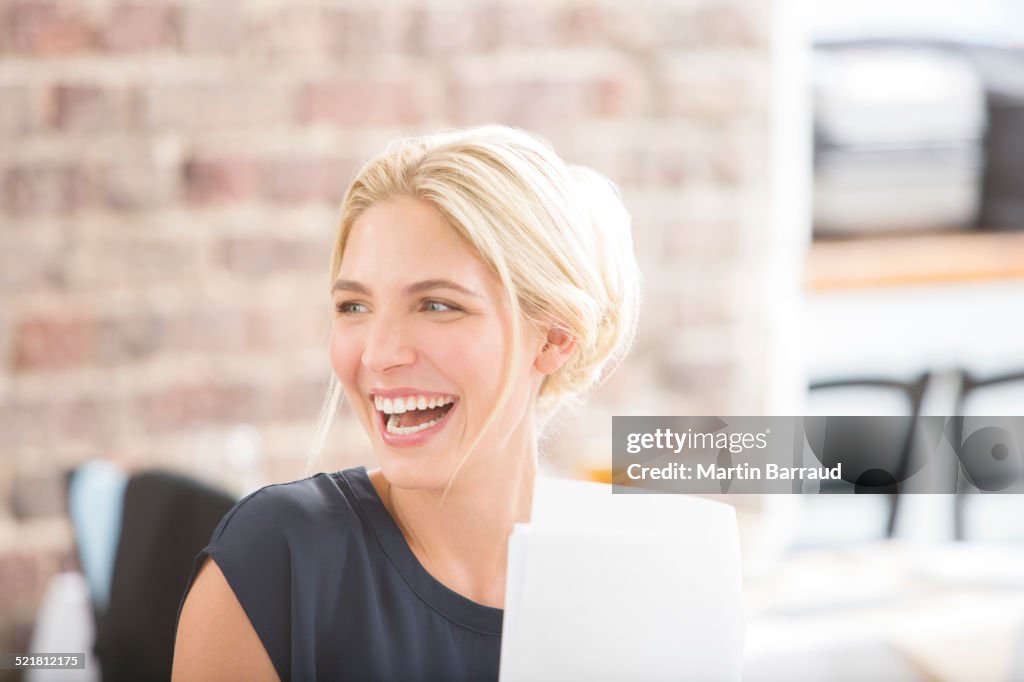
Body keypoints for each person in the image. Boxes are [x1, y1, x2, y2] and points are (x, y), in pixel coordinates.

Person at [171, 125, 641, 681]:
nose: (378, 354)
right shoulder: (272, 563)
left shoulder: (627, 586)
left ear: (556, 337)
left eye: (437, 305)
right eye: (353, 307)